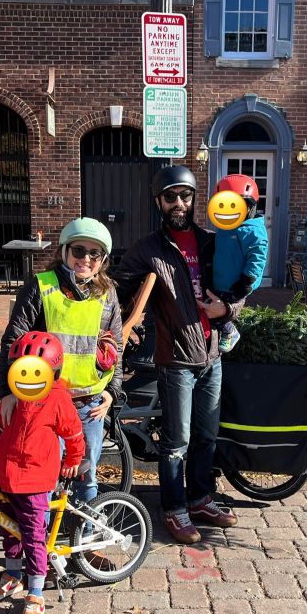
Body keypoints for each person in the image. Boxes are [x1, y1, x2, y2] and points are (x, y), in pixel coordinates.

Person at [115, 165, 242, 544]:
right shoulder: (147, 250)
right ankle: (174, 509)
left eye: (185, 196)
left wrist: (229, 310)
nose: (179, 204)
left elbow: (239, 287)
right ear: (159, 201)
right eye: (170, 196)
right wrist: (123, 326)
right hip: (176, 360)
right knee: (177, 441)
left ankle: (200, 498)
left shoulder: (210, 242)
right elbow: (117, 293)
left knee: (207, 436)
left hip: (212, 354)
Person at [0, 217, 123, 504]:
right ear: (64, 251)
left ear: (103, 259)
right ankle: (42, 541)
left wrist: (112, 391)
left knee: (86, 475)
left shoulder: (107, 293)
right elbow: (12, 342)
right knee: (44, 477)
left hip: (89, 405)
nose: (85, 259)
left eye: (94, 254)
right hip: (46, 403)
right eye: (78, 251)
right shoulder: (40, 287)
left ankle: (83, 538)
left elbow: (116, 346)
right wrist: (7, 392)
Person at [0, 331, 85, 614]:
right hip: (7, 476)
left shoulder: (58, 399)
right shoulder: (12, 399)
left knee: (34, 537)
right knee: (8, 528)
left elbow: (73, 434)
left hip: (36, 479)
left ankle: (35, 593)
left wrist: (73, 461)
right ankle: (12, 575)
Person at [207, 174, 269, 353]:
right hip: (220, 283)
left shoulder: (251, 230)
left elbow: (258, 256)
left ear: (249, 207)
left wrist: (247, 281)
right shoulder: (227, 227)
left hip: (236, 285)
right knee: (207, 308)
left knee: (219, 314)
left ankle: (230, 332)